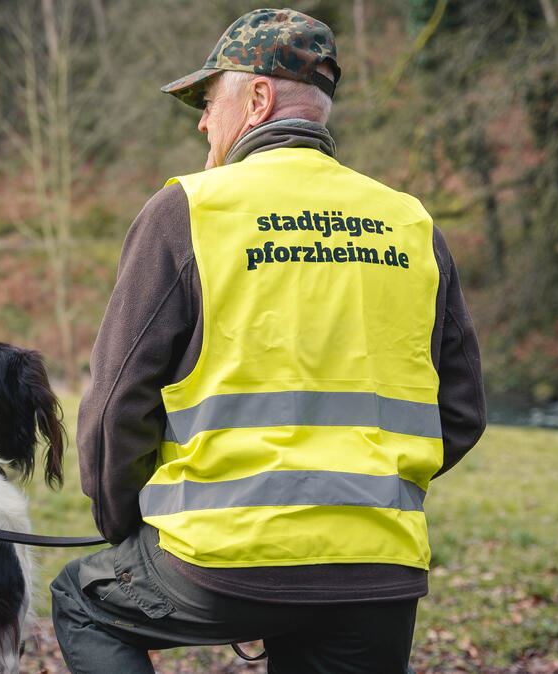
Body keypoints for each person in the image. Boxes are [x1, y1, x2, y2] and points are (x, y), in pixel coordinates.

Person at [50, 8, 486, 673]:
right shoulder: (410, 223)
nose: (201, 121)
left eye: (208, 99)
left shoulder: (189, 211)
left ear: (256, 97)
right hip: (378, 568)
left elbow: (115, 408)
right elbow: (460, 412)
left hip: (222, 564)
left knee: (80, 599)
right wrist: (365, 498)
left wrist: (125, 526)